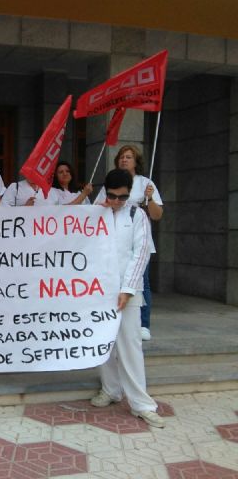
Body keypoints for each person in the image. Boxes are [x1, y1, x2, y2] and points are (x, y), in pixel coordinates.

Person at [90, 168, 165, 429]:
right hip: (99, 291)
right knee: (104, 344)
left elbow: (141, 252)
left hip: (128, 292)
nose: (117, 202)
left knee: (130, 346)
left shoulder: (136, 214)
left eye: (122, 197)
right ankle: (111, 389)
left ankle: (142, 404)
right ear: (106, 191)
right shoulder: (94, 215)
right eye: (113, 196)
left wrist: (128, 288)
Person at [94, 145, 163, 341]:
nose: (125, 160)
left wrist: (149, 198)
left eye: (129, 157)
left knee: (142, 283)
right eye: (122, 157)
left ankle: (144, 324)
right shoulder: (112, 181)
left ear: (136, 161)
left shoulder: (146, 183)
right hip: (115, 241)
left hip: (139, 240)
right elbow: (95, 210)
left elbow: (157, 215)